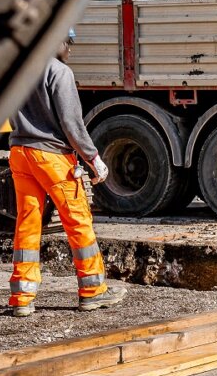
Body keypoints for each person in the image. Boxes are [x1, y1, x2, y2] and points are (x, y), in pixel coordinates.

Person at [7, 29, 127, 316]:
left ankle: (22, 298)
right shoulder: (59, 72)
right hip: (51, 156)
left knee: (28, 221)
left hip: (20, 153)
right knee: (77, 219)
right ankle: (93, 291)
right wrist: (93, 158)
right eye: (67, 43)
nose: (70, 49)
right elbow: (72, 124)